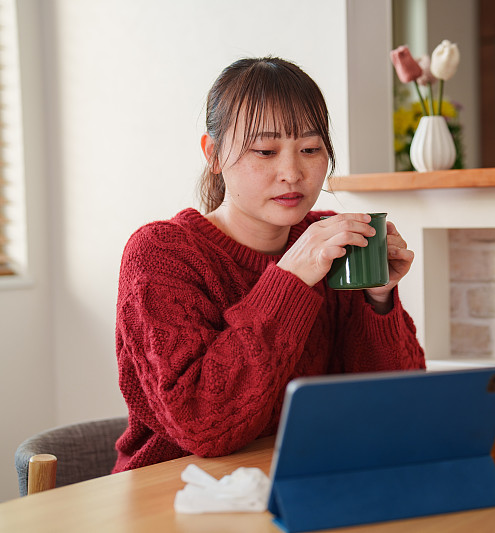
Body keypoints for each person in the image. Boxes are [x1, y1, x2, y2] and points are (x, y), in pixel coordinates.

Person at [112, 57, 425, 472]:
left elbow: (399, 410)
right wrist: (291, 280)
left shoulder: (328, 243)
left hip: (300, 478)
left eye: (310, 149)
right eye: (265, 150)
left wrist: (378, 299)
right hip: (179, 492)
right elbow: (204, 427)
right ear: (214, 154)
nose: (292, 172)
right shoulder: (160, 254)